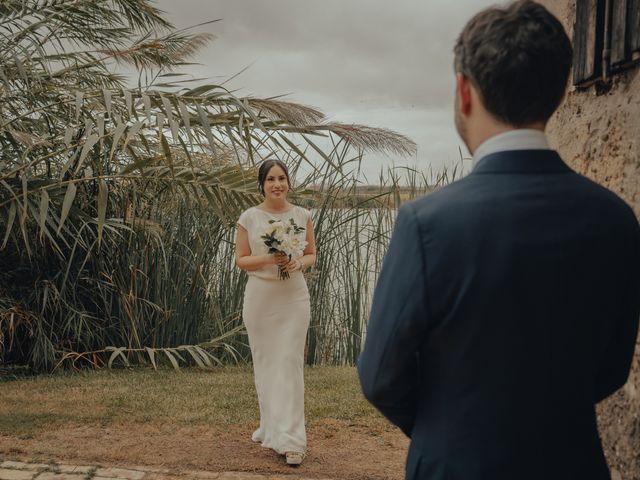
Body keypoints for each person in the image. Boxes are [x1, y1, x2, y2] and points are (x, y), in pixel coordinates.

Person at [357, 1, 640, 479]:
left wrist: (444, 430)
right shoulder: (616, 219)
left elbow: (381, 376)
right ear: (561, 97)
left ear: (464, 92)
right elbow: (612, 368)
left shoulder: (426, 224)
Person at [235, 158, 316, 466]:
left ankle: (293, 441)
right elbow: (241, 260)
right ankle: (270, 426)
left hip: (294, 299)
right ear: (262, 184)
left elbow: (311, 254)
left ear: (288, 182)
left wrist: (297, 262)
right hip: (261, 300)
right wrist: (270, 258)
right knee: (267, 364)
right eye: (271, 179)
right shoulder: (249, 217)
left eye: (282, 178)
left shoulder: (302, 215)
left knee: (290, 363)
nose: (277, 184)